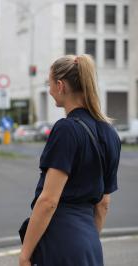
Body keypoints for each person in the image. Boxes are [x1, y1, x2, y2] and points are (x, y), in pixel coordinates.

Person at [19, 54, 121, 266]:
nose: (49, 90)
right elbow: (103, 203)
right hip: (90, 244)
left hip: (60, 241)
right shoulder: (110, 133)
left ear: (60, 85)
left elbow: (48, 201)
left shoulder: (66, 129)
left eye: (49, 84)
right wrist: (86, 240)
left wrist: (25, 254)